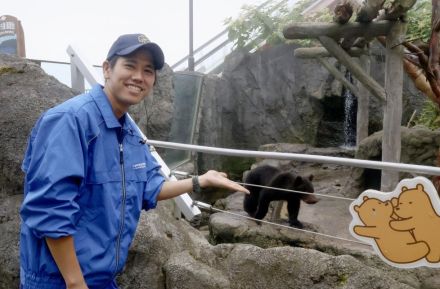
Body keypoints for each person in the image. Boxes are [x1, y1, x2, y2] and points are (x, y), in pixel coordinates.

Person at [19, 33, 249, 289]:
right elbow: (51, 208)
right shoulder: (70, 121)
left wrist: (199, 180)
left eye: (148, 70)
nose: (139, 77)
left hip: (101, 278)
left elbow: (150, 186)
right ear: (107, 69)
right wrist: (75, 283)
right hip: (60, 280)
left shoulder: (127, 130)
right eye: (130, 65)